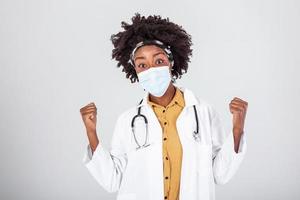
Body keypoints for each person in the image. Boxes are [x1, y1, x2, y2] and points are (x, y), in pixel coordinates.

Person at [80, 13, 248, 200]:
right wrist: (91, 133)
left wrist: (237, 129)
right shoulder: (127, 121)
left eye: (158, 61)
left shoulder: (203, 112)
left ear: (171, 62)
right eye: (142, 65)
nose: (151, 70)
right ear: (135, 71)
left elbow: (220, 174)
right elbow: (112, 180)